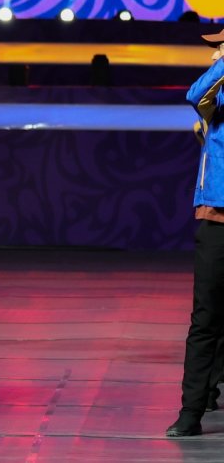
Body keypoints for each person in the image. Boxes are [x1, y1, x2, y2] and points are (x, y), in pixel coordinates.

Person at [165, 26, 224, 438]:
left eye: (219, 47)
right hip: (217, 217)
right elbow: (194, 94)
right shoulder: (214, 101)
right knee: (206, 318)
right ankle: (192, 410)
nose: (213, 54)